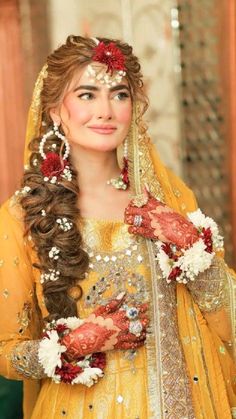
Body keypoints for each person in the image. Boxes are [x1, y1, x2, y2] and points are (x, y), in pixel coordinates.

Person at [0, 35, 235, 419]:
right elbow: (5, 349)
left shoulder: (168, 198)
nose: (106, 110)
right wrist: (72, 345)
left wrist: (193, 250)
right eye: (88, 95)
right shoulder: (24, 215)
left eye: (120, 94)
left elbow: (230, 317)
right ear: (56, 110)